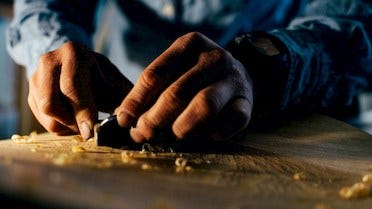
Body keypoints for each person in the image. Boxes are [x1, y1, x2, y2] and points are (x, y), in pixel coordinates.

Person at [5, 0, 372, 143]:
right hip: (126, 115)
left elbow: (354, 29)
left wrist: (257, 68)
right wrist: (53, 45)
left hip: (289, 120)